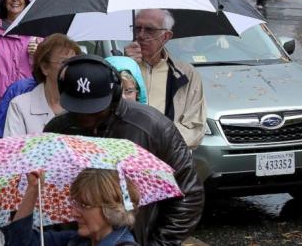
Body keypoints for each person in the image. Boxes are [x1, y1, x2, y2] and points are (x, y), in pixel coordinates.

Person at [43, 55, 204, 246]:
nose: (86, 117)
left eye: (95, 108)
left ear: (115, 94)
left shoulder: (152, 127)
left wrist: (159, 243)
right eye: (78, 108)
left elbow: (188, 195)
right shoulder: (57, 131)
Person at [123, 9, 207, 149]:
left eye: (149, 29)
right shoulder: (118, 68)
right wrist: (124, 66)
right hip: (129, 153)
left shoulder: (186, 74)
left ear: (166, 36)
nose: (141, 35)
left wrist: (159, 142)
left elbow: (195, 127)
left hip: (169, 155)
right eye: (137, 28)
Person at [2, 169, 139, 246]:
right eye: (75, 204)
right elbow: (20, 243)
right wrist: (32, 189)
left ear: (112, 210)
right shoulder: (76, 240)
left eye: (85, 205)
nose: (74, 213)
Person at [4, 34, 81, 137]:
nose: (70, 68)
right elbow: (13, 149)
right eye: (64, 62)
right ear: (44, 67)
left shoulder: (83, 105)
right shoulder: (20, 106)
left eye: (74, 62)